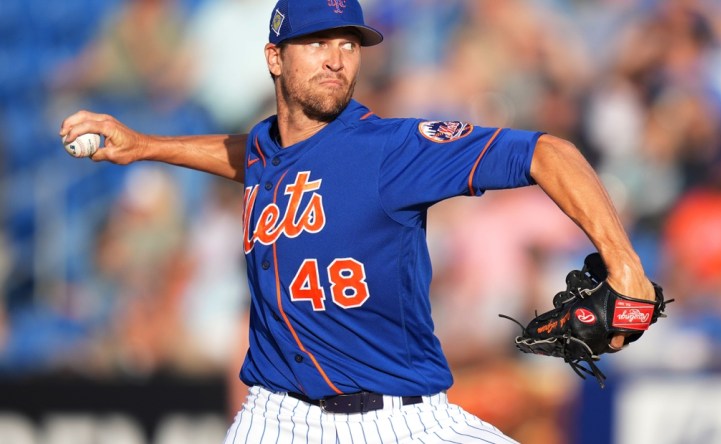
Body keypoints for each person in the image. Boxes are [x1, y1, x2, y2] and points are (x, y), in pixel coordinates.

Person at [60, 0, 656, 442]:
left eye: (349, 45)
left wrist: (624, 259)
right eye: (318, 43)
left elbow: (549, 152)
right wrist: (144, 145)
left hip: (407, 419)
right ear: (275, 57)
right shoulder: (268, 148)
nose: (337, 60)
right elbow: (246, 156)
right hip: (278, 420)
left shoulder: (391, 150)